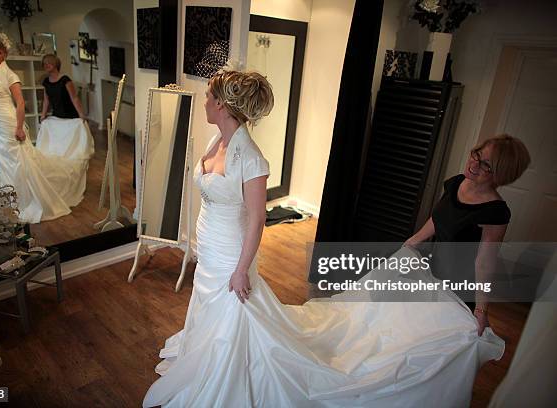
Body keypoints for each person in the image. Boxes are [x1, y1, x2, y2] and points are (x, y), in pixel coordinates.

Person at [143, 70, 504, 407]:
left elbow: (257, 220)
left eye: (208, 95)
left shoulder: (250, 158)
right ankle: (203, 350)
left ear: (222, 104)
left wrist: (241, 269)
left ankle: (225, 367)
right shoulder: (215, 140)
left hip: (230, 252)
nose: (204, 101)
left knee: (236, 310)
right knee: (211, 304)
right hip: (210, 244)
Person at [405, 135, 531, 334]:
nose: (474, 163)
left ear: (501, 174)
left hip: (458, 288)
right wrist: (412, 242)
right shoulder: (456, 183)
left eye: (486, 165)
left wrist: (481, 310)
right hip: (434, 272)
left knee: (435, 339)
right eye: (476, 154)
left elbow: (485, 262)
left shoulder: (495, 211)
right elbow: (439, 218)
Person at [0, 37, 87, 223]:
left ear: (5, 54)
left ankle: (25, 198)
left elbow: (20, 102)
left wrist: (19, 127)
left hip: (9, 121)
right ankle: (5, 198)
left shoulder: (10, 75)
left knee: (16, 158)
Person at [37, 54, 94, 161]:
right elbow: (46, 100)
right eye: (44, 64)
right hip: (57, 115)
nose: (46, 65)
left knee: (71, 144)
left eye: (49, 63)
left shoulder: (65, 80)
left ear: (55, 64)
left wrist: (81, 114)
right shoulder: (46, 82)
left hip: (70, 115)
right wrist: (43, 114)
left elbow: (74, 98)